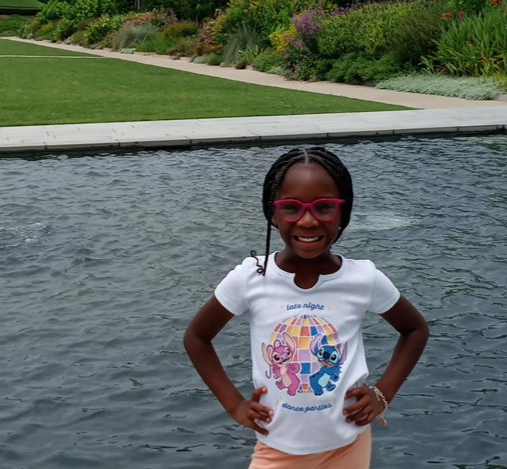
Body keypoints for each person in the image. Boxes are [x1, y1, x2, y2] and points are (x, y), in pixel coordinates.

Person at [183, 147, 429, 468]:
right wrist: (234, 405)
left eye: (324, 207)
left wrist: (383, 394)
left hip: (348, 444)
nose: (309, 220)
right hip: (277, 448)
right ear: (273, 214)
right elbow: (197, 338)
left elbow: (415, 330)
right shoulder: (251, 277)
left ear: (343, 213)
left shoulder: (363, 278)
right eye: (291, 208)